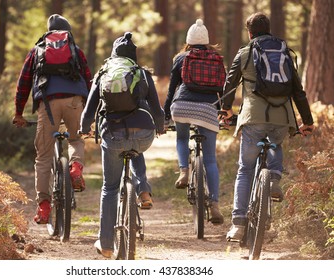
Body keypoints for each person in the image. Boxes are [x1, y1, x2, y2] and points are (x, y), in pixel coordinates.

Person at [221, 12, 314, 241]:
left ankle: (239, 224)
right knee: (275, 143)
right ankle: (273, 177)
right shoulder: (284, 53)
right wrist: (308, 121)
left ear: (250, 32)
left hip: (254, 118)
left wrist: (227, 111)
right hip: (282, 118)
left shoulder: (245, 53)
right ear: (269, 29)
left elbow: (229, 86)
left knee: (245, 169)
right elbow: (298, 91)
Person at [80, 32, 165, 258]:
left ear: (113, 54)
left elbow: (89, 110)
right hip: (143, 133)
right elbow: (157, 109)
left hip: (113, 134)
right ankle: (142, 188)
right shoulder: (142, 73)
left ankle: (106, 244)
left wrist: (83, 128)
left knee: (110, 188)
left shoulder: (103, 73)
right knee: (135, 146)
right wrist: (161, 126)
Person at [13, 14, 92, 224]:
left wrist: (19, 113)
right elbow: (89, 79)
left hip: (47, 104)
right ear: (67, 32)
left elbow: (24, 84)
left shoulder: (36, 51)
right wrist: (90, 112)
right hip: (74, 101)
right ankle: (75, 169)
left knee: (44, 156)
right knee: (75, 139)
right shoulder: (75, 50)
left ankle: (44, 206)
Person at [163, 19, 226, 225]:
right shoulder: (216, 59)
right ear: (207, 42)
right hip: (208, 110)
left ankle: (184, 171)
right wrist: (224, 112)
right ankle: (215, 205)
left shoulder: (181, 58)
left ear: (188, 41)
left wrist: (165, 115)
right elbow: (222, 91)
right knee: (209, 159)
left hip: (182, 106)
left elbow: (172, 90)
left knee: (182, 137)